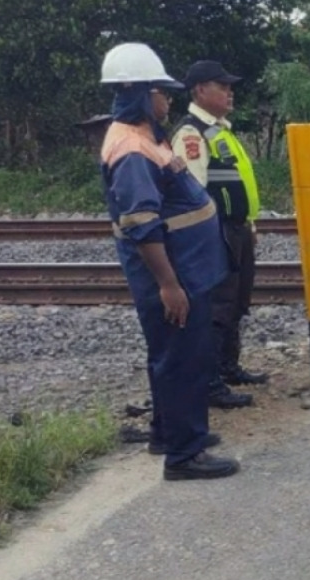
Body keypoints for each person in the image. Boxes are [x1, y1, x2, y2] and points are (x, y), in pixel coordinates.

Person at [98, 42, 240, 480]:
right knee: (182, 359)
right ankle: (185, 454)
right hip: (174, 275)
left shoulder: (144, 137)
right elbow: (142, 223)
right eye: (161, 90)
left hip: (187, 270)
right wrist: (169, 285)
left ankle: (168, 432)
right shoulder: (132, 150)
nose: (167, 98)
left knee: (171, 355)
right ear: (140, 91)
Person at [171, 60, 264, 410]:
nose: (229, 92)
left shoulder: (219, 130)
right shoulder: (192, 134)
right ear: (199, 91)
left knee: (237, 301)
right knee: (218, 306)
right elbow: (192, 192)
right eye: (221, 86)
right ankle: (209, 382)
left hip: (236, 229)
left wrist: (249, 224)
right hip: (217, 232)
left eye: (229, 86)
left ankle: (228, 367)